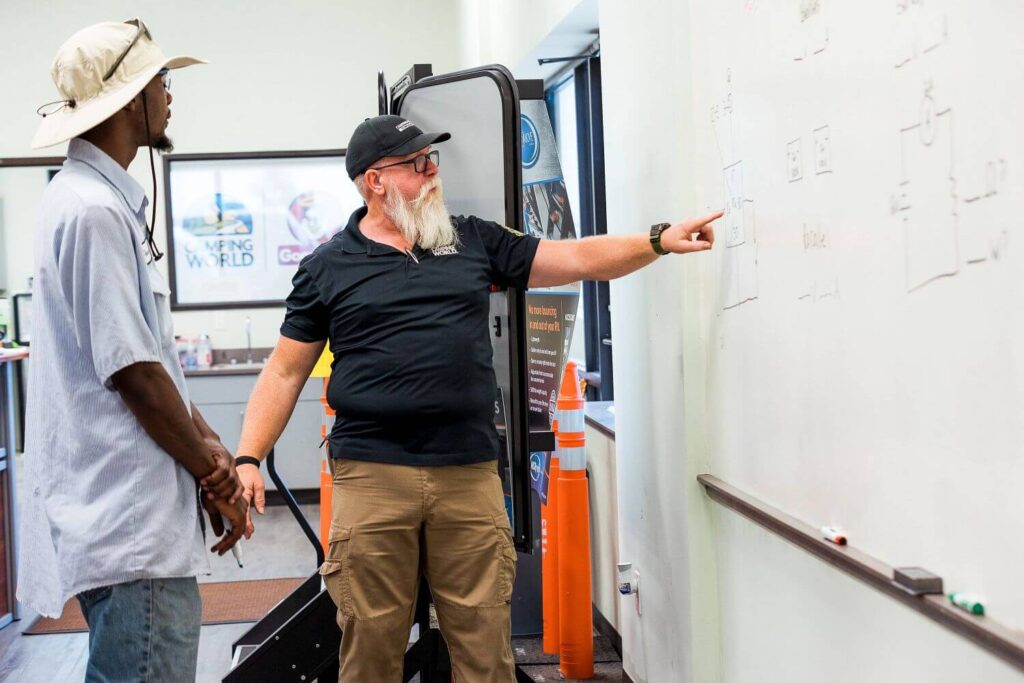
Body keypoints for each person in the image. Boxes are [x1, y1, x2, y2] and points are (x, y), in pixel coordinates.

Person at [234, 114, 720, 681]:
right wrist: (248, 456)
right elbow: (285, 371)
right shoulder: (326, 268)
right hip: (371, 474)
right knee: (370, 648)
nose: (433, 172)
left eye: (433, 160)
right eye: (417, 164)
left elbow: (579, 258)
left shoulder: (473, 240)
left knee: (484, 649)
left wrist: (658, 241)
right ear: (375, 181)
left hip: (466, 473)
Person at [17, 19, 247, 683]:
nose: (170, 92)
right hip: (133, 533)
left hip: (133, 527)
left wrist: (213, 451)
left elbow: (152, 363)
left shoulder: (90, 201)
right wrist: (212, 471)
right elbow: (136, 376)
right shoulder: (91, 210)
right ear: (125, 101)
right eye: (160, 80)